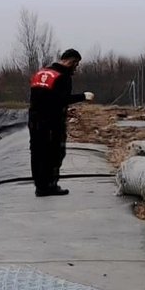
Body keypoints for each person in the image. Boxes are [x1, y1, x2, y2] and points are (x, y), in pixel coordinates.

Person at [28, 49, 93, 196]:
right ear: (71, 61)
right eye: (76, 65)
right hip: (51, 121)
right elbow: (61, 99)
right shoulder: (63, 77)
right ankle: (49, 186)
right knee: (54, 153)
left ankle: (40, 185)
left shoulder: (41, 73)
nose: (76, 68)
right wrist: (83, 96)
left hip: (34, 119)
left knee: (37, 152)